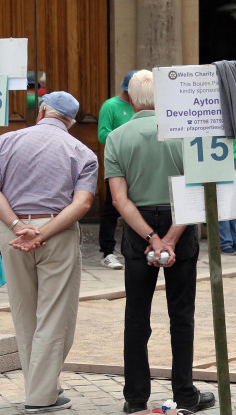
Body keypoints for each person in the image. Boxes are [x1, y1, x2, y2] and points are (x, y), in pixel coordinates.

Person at [105, 70, 215, 414]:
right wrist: (169, 238)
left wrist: (151, 239)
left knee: (136, 316)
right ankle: (184, 391)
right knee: (182, 314)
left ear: (132, 99)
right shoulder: (185, 136)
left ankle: (135, 397)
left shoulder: (118, 137)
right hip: (178, 219)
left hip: (139, 226)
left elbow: (120, 201)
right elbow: (196, 189)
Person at [0, 92, 96, 413]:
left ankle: (42, 385)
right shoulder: (82, 151)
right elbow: (83, 203)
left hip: (11, 230)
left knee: (24, 312)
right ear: (71, 122)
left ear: (43, 111)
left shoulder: (5, 142)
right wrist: (42, 232)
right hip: (56, 232)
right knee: (55, 316)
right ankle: (40, 396)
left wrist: (18, 226)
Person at [96, 70, 137, 270]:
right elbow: (103, 135)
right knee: (112, 209)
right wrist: (129, 135)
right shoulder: (111, 106)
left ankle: (135, 248)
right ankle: (107, 252)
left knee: (138, 207)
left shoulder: (138, 106)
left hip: (138, 165)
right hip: (118, 166)